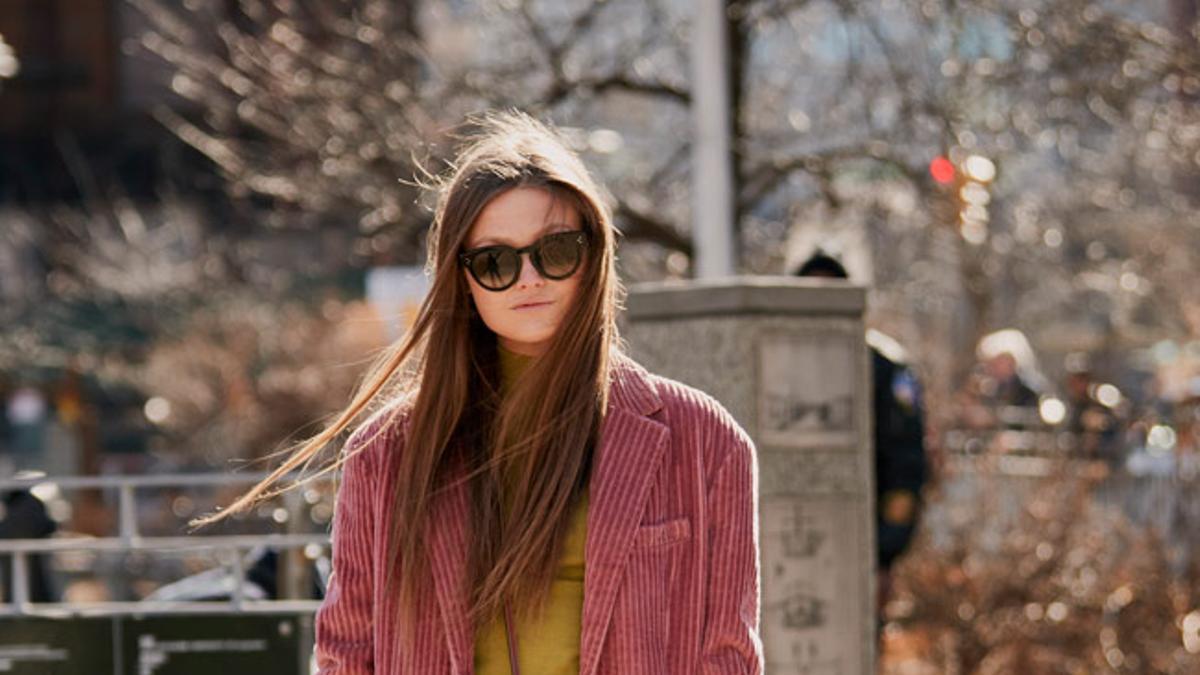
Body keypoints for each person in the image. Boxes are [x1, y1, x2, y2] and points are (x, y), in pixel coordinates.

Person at [201, 112, 762, 674]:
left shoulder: (704, 441)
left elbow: (728, 657)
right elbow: (347, 654)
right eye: (495, 261)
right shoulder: (387, 451)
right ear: (461, 277)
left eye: (557, 250)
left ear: (592, 257)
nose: (530, 278)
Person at [793, 251, 927, 617]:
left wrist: (884, 553)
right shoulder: (777, 363)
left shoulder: (884, 368)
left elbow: (905, 467)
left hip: (860, 543)